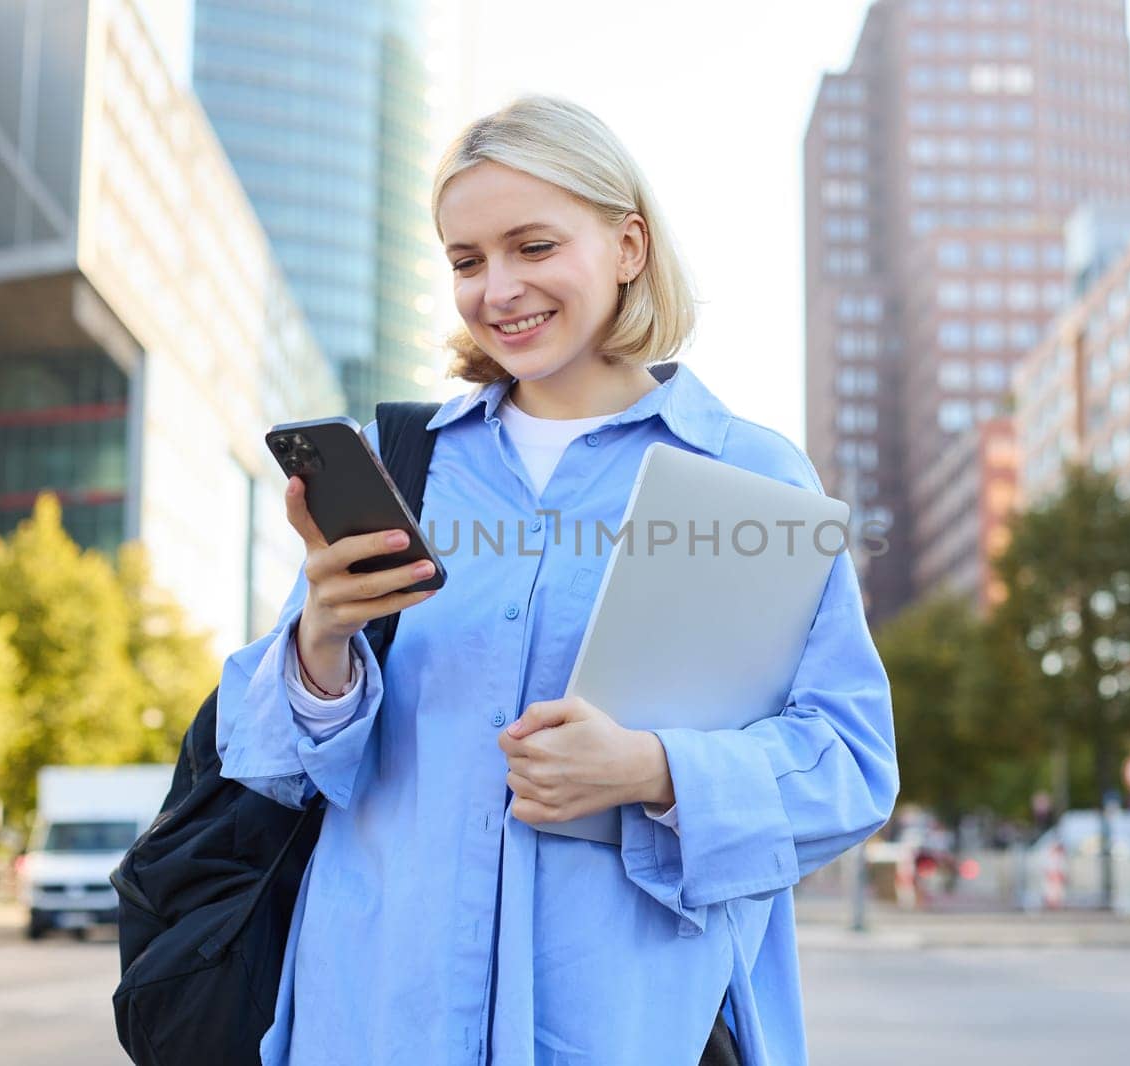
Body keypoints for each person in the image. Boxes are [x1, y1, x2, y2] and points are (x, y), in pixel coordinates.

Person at [215, 95, 899, 1066]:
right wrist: (319, 638)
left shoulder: (748, 478)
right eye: (466, 260)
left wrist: (655, 771)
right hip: (376, 1017)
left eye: (533, 246)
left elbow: (850, 767)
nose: (497, 288)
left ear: (627, 245)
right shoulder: (400, 465)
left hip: (632, 1027)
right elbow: (275, 765)